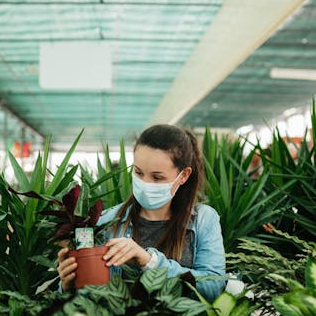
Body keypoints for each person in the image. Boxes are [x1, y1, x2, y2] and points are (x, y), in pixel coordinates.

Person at [57, 124, 226, 302]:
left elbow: (214, 286)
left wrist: (150, 261)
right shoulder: (106, 222)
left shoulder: (204, 220)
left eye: (157, 177)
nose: (145, 183)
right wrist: (68, 285)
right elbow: (86, 299)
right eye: (138, 172)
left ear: (183, 176)